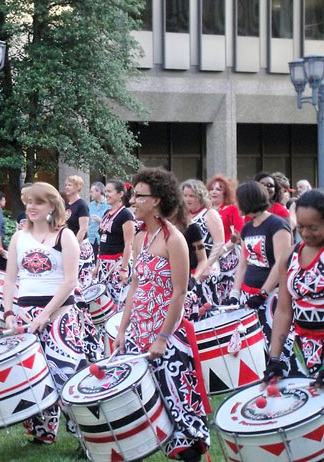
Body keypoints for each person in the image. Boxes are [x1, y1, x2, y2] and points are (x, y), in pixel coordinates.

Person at [116, 167, 210, 461]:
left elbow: (179, 293)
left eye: (139, 196)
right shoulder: (142, 237)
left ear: (156, 200)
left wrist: (162, 338)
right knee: (147, 406)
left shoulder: (174, 239)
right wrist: (122, 330)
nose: (133, 201)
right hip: (138, 333)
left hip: (166, 335)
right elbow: (135, 286)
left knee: (179, 405)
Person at [2, 182, 85, 445]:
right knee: (33, 375)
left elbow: (70, 281)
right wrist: (8, 313)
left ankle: (86, 436)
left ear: (52, 206)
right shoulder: (18, 237)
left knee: (66, 375)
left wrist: (45, 315)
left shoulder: (65, 236)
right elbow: (9, 279)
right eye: (28, 201)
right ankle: (42, 432)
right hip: (26, 314)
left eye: (38, 201)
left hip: (60, 314)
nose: (31, 207)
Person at [264, 189, 324, 386]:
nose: (305, 233)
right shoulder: (290, 257)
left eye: (313, 228)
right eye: (300, 227)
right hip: (303, 348)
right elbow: (283, 311)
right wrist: (274, 359)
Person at [230, 181, 292, 345]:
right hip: (249, 295)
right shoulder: (247, 228)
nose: (236, 205)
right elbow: (244, 263)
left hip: (272, 296)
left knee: (275, 343)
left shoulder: (277, 225)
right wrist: (235, 294)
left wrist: (263, 293)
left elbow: (281, 263)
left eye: (238, 200)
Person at [181, 179, 225, 306]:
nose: (187, 199)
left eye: (192, 196)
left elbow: (219, 242)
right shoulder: (183, 215)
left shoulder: (210, 214)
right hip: (189, 264)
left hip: (207, 264)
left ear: (200, 197)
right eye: (185, 196)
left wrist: (207, 265)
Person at [92, 180, 134, 306]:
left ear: (120, 194)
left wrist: (124, 268)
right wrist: (97, 265)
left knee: (118, 301)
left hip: (117, 264)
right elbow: (103, 242)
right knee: (104, 302)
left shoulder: (126, 215)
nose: (107, 194)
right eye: (106, 192)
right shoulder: (106, 213)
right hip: (104, 264)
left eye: (109, 191)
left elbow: (129, 244)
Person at [207, 175, 244, 303]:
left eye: (218, 189)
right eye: (212, 189)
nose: (214, 191)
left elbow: (239, 234)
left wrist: (223, 249)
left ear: (225, 192)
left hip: (228, 256)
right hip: (209, 256)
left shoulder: (232, 209)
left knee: (226, 291)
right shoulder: (206, 211)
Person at [63, 175, 93, 289]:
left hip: (80, 246)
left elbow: (83, 228)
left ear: (78, 187)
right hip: (68, 244)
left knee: (81, 279)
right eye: (66, 185)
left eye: (70, 185)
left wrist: (74, 245)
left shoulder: (82, 205)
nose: (67, 187)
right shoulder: (66, 205)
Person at [88, 181, 111, 259]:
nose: (90, 194)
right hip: (90, 237)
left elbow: (112, 222)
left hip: (103, 238)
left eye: (92, 191)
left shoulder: (109, 205)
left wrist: (101, 220)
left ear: (99, 191)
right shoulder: (90, 205)